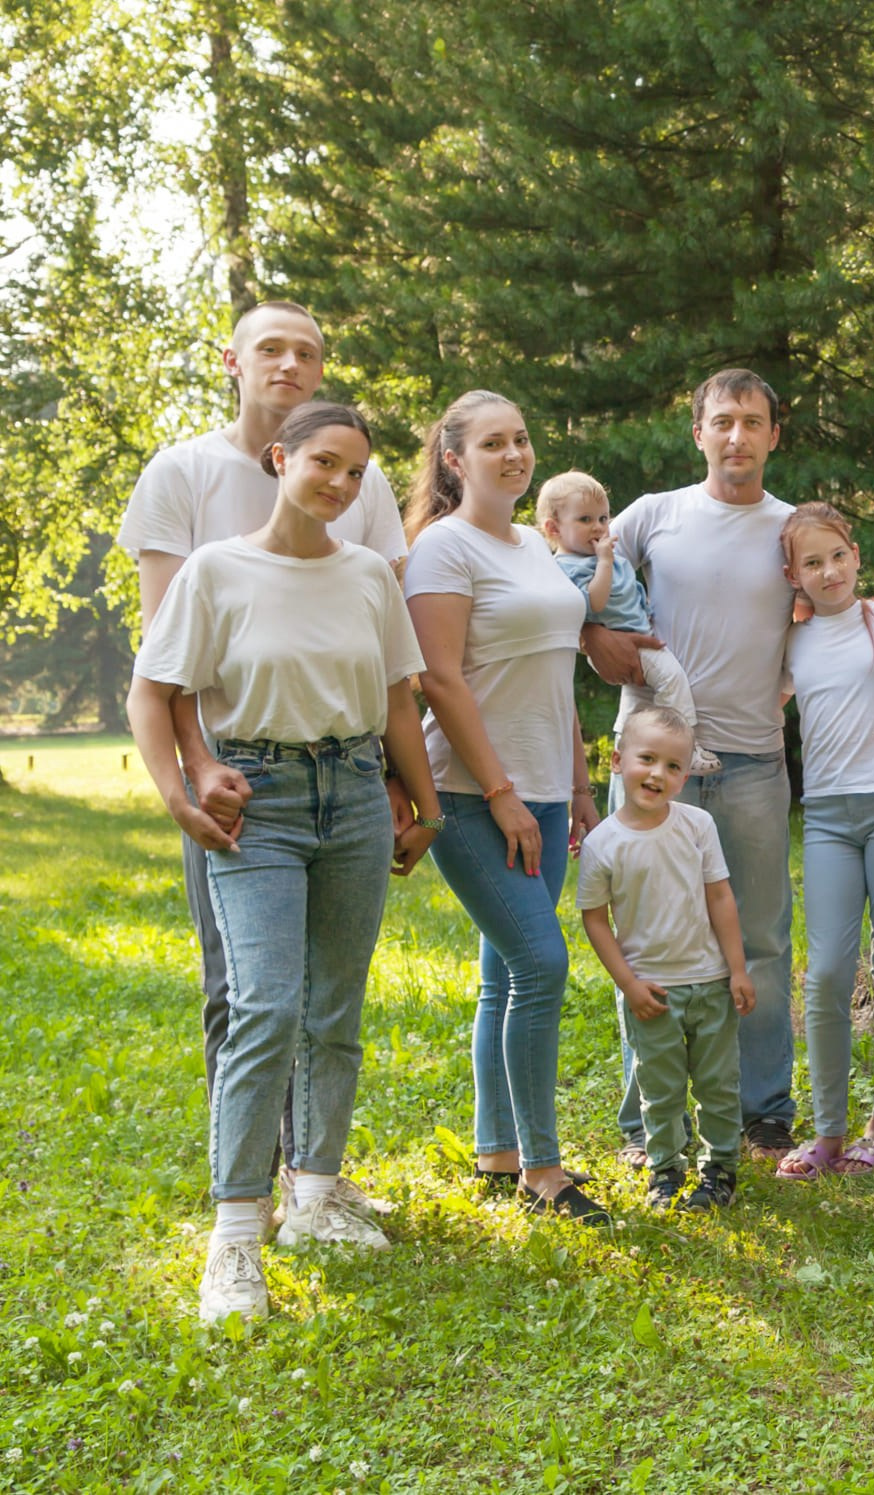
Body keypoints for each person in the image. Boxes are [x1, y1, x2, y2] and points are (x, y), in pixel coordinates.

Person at [126, 402, 439, 1323]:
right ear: (280, 459)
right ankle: (234, 1238)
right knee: (265, 1004)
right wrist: (182, 791)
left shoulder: (368, 575)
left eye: (357, 473)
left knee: (335, 1008)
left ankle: (316, 1196)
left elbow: (397, 702)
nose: (341, 484)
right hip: (255, 800)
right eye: (325, 463)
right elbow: (153, 690)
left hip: (354, 794)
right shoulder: (218, 569)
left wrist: (425, 807)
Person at [586, 369, 800, 1165]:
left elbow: (825, 613)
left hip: (751, 760)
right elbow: (577, 580)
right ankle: (650, 1123)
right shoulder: (653, 515)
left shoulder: (790, 528)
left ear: (773, 435)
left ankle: (762, 1111)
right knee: (645, 939)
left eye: (752, 421)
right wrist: (594, 640)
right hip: (652, 762)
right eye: (722, 421)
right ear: (698, 432)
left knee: (761, 938)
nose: (737, 436)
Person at [404, 390, 608, 1223]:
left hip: (550, 791)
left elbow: (556, 672)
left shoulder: (531, 543)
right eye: (493, 443)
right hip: (469, 792)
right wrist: (501, 793)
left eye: (521, 438)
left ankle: (495, 1149)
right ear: (454, 459)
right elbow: (439, 679)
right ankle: (542, 1169)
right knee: (540, 963)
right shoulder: (441, 549)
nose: (514, 454)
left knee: (503, 972)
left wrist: (580, 786)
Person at [774, 503, 874, 1179]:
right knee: (829, 972)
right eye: (812, 562)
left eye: (837, 555)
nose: (829, 571)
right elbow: (755, 698)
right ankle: (828, 1133)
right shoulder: (789, 640)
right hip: (828, 816)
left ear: (856, 555)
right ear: (793, 575)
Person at [578, 708, 757, 1210]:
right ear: (617, 761)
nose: (658, 773)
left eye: (673, 766)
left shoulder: (697, 826)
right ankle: (666, 1172)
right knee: (659, 1090)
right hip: (651, 991)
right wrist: (628, 985)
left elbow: (720, 897)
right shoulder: (601, 844)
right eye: (647, 759)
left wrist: (737, 969)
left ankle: (720, 1169)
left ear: (685, 776)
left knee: (719, 1084)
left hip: (711, 982)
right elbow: (595, 921)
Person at [534, 472, 721, 774]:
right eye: (585, 519)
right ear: (554, 528)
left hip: (637, 634)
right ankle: (685, 746)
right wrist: (605, 562)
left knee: (638, 703)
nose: (598, 527)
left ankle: (625, 750)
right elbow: (593, 603)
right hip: (621, 643)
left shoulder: (596, 557)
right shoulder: (567, 566)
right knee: (672, 681)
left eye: (603, 518)